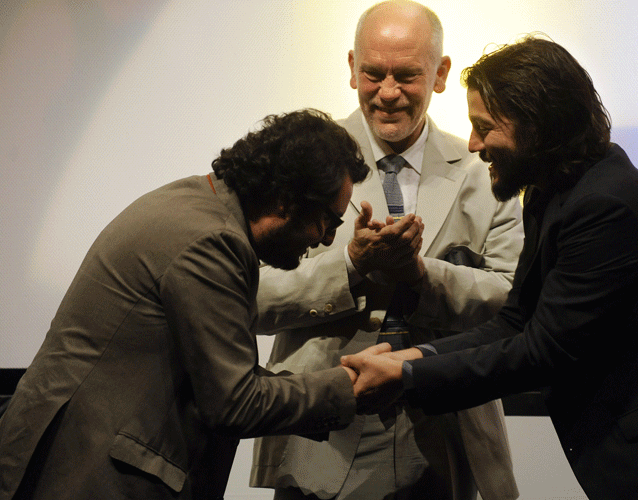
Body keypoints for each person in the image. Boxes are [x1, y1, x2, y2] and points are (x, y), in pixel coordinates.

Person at [343, 35, 638, 500]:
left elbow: (543, 350)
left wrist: (406, 378)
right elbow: (516, 319)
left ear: (537, 126)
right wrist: (415, 358)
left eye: (485, 127)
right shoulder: (554, 192)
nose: (474, 144)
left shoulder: (605, 205)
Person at [0, 109, 370, 500]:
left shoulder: (197, 203)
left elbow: (215, 378)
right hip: (87, 477)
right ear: (285, 198)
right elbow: (234, 403)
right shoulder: (213, 241)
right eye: (329, 220)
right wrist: (350, 387)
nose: (328, 239)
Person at [249, 2, 523, 499]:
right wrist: (350, 266)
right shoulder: (297, 160)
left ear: (440, 75)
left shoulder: (485, 170)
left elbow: (516, 301)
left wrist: (422, 276)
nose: (389, 93)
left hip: (445, 431)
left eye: (407, 76)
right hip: (320, 432)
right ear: (352, 68)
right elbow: (249, 298)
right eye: (374, 74)